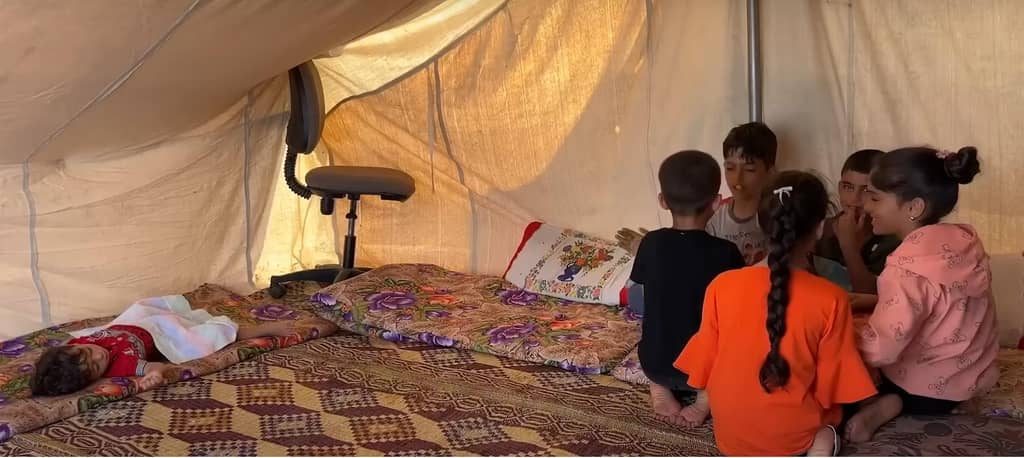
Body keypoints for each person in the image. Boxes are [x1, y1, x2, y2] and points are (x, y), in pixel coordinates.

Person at [675, 171, 877, 456]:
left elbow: (705, 366)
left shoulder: (721, 285)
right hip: (793, 438)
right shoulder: (831, 298)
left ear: (761, 222)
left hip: (730, 437)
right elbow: (834, 384)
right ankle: (821, 445)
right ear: (820, 228)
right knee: (831, 424)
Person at [845, 147, 999, 442]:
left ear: (914, 207)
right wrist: (876, 302)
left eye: (875, 197)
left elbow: (882, 350)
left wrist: (843, 332)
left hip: (922, 389)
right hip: (969, 380)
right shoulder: (964, 245)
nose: (865, 205)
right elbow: (941, 308)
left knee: (839, 377)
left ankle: (891, 403)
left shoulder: (905, 268)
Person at [629, 150, 745, 425]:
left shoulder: (651, 243)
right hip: (703, 370)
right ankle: (705, 398)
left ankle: (659, 387)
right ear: (717, 202)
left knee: (652, 332)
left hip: (656, 363)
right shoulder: (726, 252)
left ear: (662, 201)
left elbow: (637, 299)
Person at [32, 295, 305, 396]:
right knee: (206, 333)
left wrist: (58, 357)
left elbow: (64, 346)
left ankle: (189, 309)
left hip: (134, 323)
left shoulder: (79, 343)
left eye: (87, 353)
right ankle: (262, 329)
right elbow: (153, 365)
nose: (98, 355)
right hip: (158, 334)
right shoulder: (122, 364)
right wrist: (154, 376)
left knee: (143, 305)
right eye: (94, 367)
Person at [817, 149, 902, 294]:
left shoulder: (895, 240)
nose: (855, 198)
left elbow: (867, 293)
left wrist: (848, 246)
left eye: (866, 190)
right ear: (839, 188)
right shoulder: (820, 229)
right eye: (848, 187)